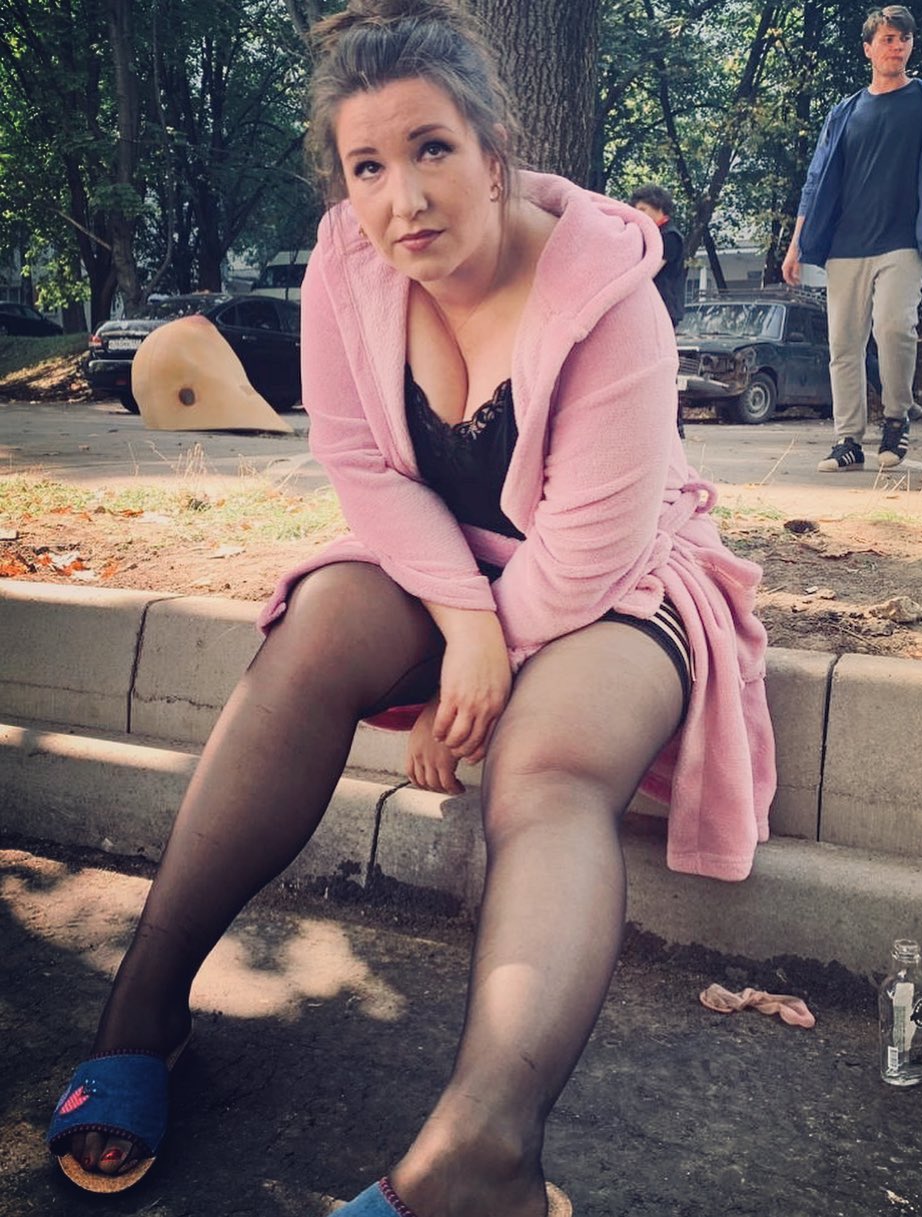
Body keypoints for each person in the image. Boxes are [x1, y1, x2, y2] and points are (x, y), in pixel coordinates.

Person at [46, 2, 776, 1213]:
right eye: (368, 166)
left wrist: (483, 675)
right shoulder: (347, 262)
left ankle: (483, 1157)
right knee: (319, 622)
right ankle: (144, 1011)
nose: (404, 198)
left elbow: (585, 554)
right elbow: (362, 465)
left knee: (544, 764)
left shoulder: (612, 299)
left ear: (493, 153)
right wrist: (465, 631)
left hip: (616, 580)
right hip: (446, 567)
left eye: (431, 148)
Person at [782, 5, 922, 473]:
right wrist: (796, 243)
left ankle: (896, 419)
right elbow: (815, 181)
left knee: (893, 327)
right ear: (868, 49)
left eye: (904, 39)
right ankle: (847, 439)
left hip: (905, 239)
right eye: (888, 39)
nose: (898, 46)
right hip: (845, 245)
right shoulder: (844, 112)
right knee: (844, 344)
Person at [630, 182, 688, 436]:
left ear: (659, 207)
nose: (639, 215)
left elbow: (649, 270)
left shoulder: (669, 237)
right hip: (651, 309)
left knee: (662, 364)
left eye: (643, 209)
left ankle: (674, 422)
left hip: (664, 309)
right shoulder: (653, 236)